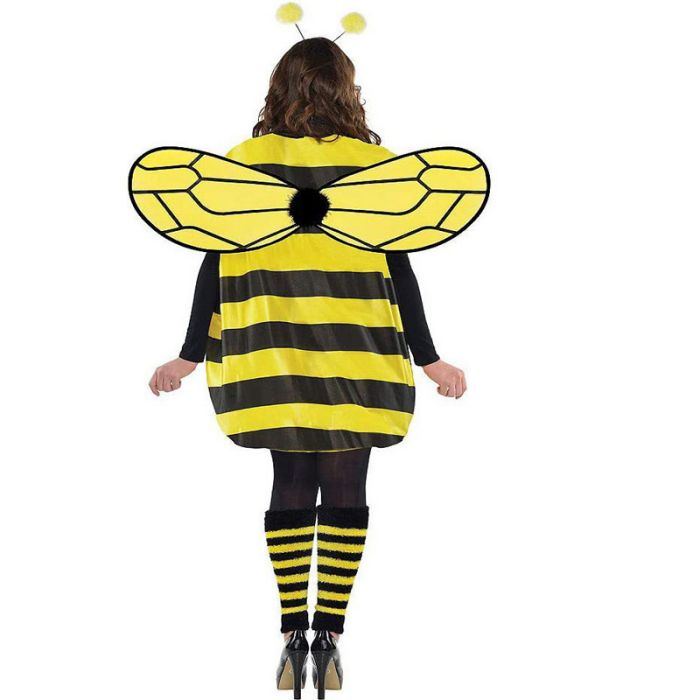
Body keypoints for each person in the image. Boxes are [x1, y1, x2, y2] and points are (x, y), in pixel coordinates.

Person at [147, 38, 466, 697]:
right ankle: (331, 638)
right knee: (347, 489)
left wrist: (190, 354)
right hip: (358, 351)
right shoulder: (374, 168)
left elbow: (213, 261)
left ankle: (293, 636)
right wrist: (430, 359)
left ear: (279, 87)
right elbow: (399, 268)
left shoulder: (246, 164)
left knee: (290, 481)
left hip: (275, 353)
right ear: (347, 90)